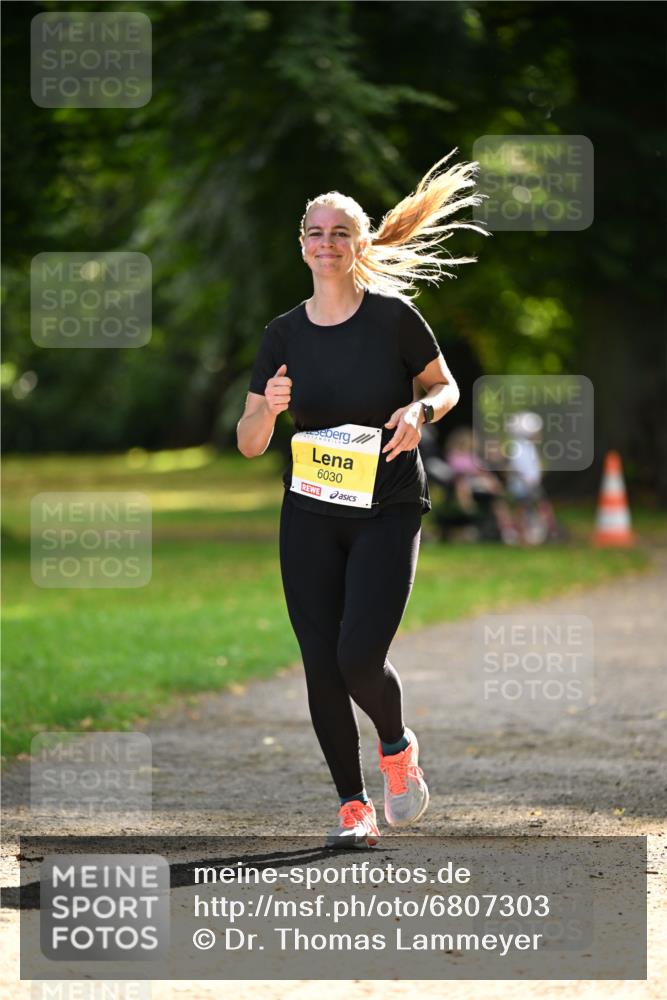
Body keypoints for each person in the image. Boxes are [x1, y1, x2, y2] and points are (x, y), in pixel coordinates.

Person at [237, 150, 489, 848]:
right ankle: (352, 807)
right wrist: (269, 410)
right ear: (301, 244)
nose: (325, 243)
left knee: (357, 656)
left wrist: (420, 414)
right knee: (320, 661)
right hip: (310, 513)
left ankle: (396, 747)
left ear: (359, 244)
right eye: (314, 233)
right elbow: (250, 441)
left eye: (339, 233)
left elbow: (444, 385)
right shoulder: (281, 336)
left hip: (386, 508)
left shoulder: (392, 320)